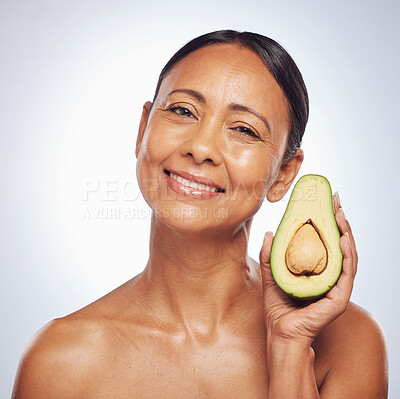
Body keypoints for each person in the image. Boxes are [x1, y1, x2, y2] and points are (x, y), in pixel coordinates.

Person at [12, 30, 388, 398]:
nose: (202, 147)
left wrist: (289, 348)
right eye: (182, 110)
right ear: (143, 128)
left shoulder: (350, 343)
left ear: (284, 174)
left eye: (244, 129)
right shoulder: (58, 361)